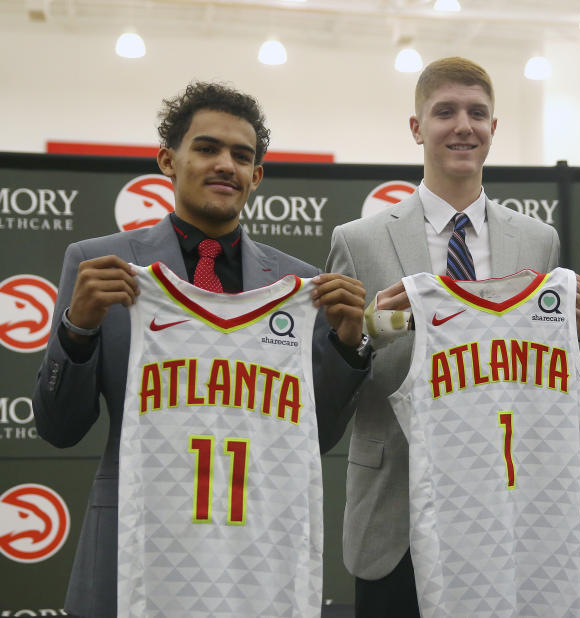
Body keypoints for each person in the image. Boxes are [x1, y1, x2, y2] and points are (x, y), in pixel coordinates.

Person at [32, 82, 370, 617]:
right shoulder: (102, 266)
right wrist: (78, 329)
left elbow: (316, 434)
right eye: (207, 148)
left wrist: (350, 348)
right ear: (169, 159)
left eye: (242, 156)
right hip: (134, 539)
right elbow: (58, 426)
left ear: (256, 176)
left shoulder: (296, 283)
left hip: (257, 550)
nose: (225, 166)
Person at [325, 56, 580, 617]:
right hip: (395, 512)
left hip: (507, 506)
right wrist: (368, 332)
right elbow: (329, 377)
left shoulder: (538, 242)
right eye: (444, 111)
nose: (463, 126)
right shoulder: (358, 240)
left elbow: (555, 365)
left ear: (494, 129)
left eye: (477, 113)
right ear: (416, 127)